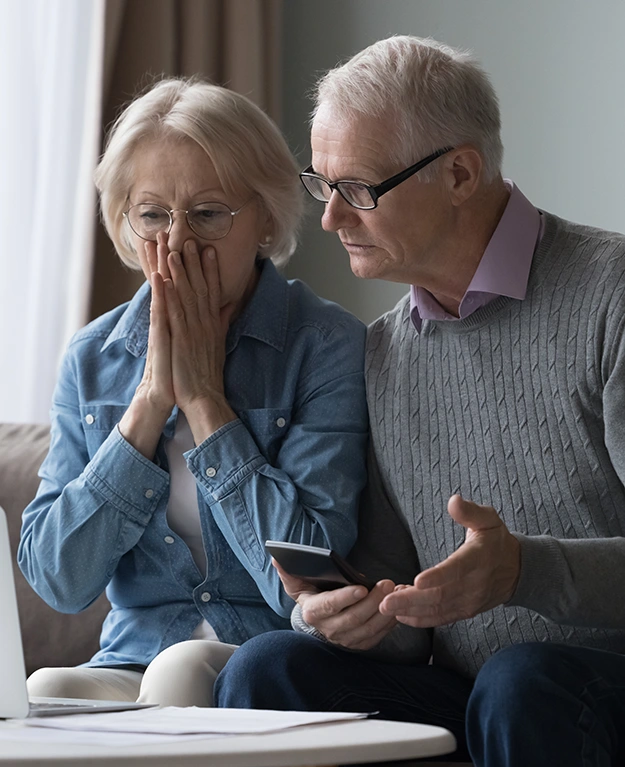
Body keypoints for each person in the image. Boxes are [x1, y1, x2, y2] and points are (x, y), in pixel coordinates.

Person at [213, 36, 625, 766]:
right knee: (266, 666)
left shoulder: (609, 297)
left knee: (519, 678)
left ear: (460, 172)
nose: (333, 220)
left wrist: (523, 569)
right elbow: (404, 614)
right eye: (323, 185)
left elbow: (522, 603)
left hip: (587, 684)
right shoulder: (381, 351)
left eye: (359, 190)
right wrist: (348, 612)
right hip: (482, 693)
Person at [18, 78, 368, 707]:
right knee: (46, 690)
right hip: (135, 651)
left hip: (264, 652)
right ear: (126, 224)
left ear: (263, 216)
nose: (176, 243)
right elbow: (58, 579)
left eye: (208, 214)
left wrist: (207, 404)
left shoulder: (326, 346)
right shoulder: (92, 360)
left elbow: (306, 579)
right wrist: (150, 403)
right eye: (153, 215)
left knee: (177, 675)